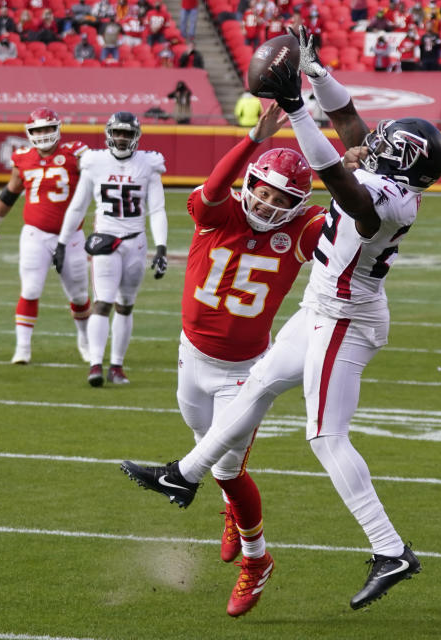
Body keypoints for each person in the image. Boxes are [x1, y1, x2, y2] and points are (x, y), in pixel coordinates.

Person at [120, 25, 441, 611]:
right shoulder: (391, 175)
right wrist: (318, 73)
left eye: (385, 143)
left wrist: (296, 106)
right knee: (265, 379)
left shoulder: (385, 202)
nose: (372, 142)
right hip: (323, 307)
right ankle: (186, 475)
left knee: (326, 436)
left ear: (400, 160)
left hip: (346, 318)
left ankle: (390, 549)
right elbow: (350, 126)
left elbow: (335, 176)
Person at [143, 104, 325, 617]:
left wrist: (346, 168)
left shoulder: (303, 231)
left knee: (225, 469)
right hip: (191, 357)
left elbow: (351, 218)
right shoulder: (218, 213)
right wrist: (253, 137)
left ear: (297, 204)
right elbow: (217, 184)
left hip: (245, 371)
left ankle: (256, 560)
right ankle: (232, 512)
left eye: (280, 199)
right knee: (206, 448)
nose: (267, 206)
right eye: (263, 192)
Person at [54, 111, 168, 386]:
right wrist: (61, 241)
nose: (121, 138)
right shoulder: (94, 162)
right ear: (108, 133)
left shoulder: (148, 164)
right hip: (106, 239)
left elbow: (157, 209)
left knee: (126, 305)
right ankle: (95, 364)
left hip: (136, 241)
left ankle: (116, 365)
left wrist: (161, 247)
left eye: (126, 134)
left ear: (136, 136)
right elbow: (78, 206)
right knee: (103, 302)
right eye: (117, 133)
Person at [0, 108, 92, 365]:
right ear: (29, 133)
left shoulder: (75, 154)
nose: (43, 135)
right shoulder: (22, 158)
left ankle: (85, 342)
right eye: (38, 130)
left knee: (78, 295)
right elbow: (11, 193)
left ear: (58, 129)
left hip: (72, 236)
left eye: (47, 129)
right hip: (35, 234)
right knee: (30, 289)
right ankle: (23, 348)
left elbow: (97, 184)